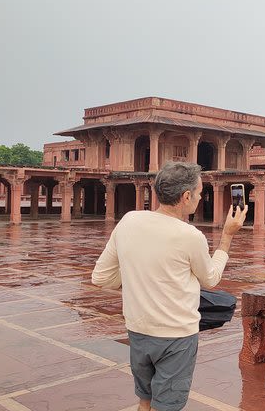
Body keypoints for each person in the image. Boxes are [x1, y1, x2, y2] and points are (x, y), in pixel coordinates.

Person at [91, 161, 247, 411]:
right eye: (198, 193)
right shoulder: (189, 235)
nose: (199, 198)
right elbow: (210, 278)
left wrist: (140, 277)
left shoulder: (129, 221)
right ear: (186, 197)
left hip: (138, 330)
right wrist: (227, 235)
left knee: (145, 401)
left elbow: (100, 277)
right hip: (176, 336)